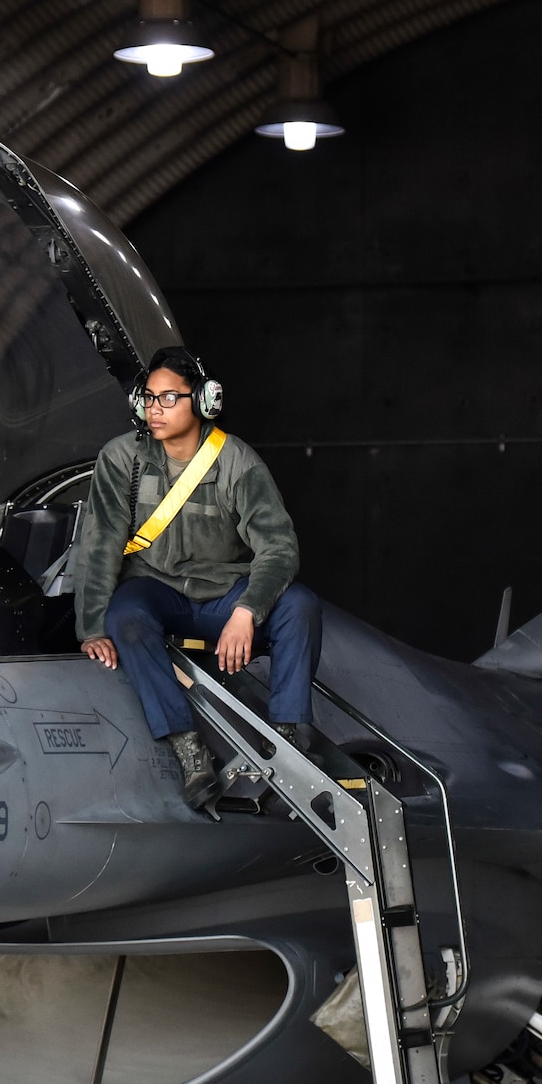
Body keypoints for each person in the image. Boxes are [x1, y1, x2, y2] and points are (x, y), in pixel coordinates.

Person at [75, 346, 323, 814]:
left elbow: (279, 547)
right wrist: (91, 627)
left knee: (300, 607)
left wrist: (247, 612)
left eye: (169, 398)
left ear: (205, 401)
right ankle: (188, 747)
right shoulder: (120, 458)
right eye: (148, 398)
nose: (155, 409)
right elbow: (101, 542)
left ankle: (288, 737)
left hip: (223, 595)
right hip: (154, 588)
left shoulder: (236, 462)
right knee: (125, 618)